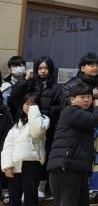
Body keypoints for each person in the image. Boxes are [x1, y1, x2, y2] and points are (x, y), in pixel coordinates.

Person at [9, 57, 62, 200]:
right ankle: (25, 188)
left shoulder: (57, 87)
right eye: (40, 68)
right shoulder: (29, 84)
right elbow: (14, 98)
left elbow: (60, 106)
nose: (43, 71)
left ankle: (41, 188)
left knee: (43, 156)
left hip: (48, 126)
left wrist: (43, 112)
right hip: (27, 124)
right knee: (26, 154)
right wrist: (25, 80)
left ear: (51, 70)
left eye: (46, 68)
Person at [47, 82, 98, 206]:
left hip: (77, 167)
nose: (86, 100)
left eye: (89, 97)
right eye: (82, 97)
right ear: (72, 99)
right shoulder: (71, 111)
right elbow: (95, 120)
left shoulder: (81, 112)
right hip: (66, 167)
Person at [2, 94, 49, 206]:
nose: (29, 107)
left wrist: (33, 111)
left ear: (38, 106)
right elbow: (8, 145)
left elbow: (36, 131)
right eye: (27, 104)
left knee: (30, 198)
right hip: (15, 163)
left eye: (33, 104)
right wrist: (7, 165)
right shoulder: (17, 123)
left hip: (31, 163)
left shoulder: (43, 119)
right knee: (14, 198)